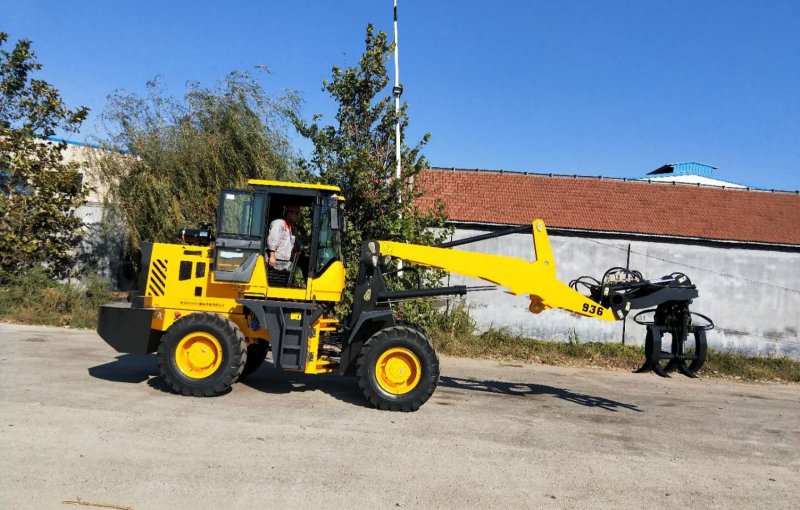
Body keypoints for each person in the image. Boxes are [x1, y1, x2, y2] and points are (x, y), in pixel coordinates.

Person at [267, 204, 300, 273]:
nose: (297, 216)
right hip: (276, 260)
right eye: (296, 213)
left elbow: (292, 244)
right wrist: (272, 257)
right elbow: (272, 239)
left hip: (285, 260)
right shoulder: (278, 224)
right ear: (289, 213)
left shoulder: (292, 228)